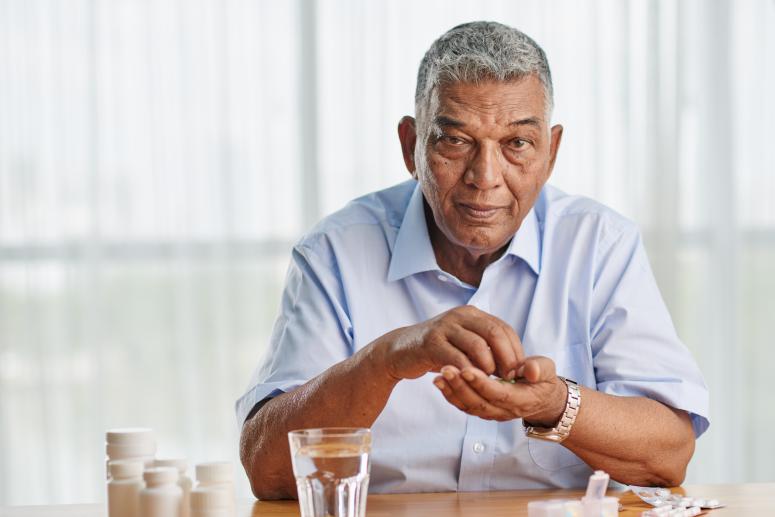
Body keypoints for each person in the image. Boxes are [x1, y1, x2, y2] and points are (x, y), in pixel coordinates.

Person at [236, 21, 709, 499]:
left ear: (551, 152)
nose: (485, 178)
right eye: (455, 141)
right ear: (410, 146)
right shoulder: (335, 252)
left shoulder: (600, 244)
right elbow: (268, 470)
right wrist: (388, 359)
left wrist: (553, 404)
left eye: (517, 144)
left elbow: (668, 456)